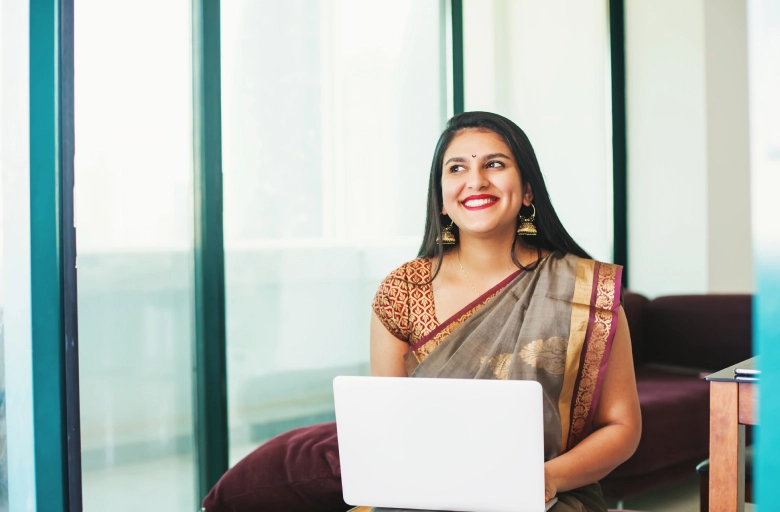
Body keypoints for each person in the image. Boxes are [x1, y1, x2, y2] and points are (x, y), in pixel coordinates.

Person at [357, 112, 641, 512]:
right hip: (425, 496)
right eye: (458, 168)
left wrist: (544, 479)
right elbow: (389, 426)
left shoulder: (586, 289)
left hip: (547, 495)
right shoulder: (403, 291)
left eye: (494, 164)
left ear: (527, 191)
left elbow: (622, 426)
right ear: (440, 197)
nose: (476, 180)